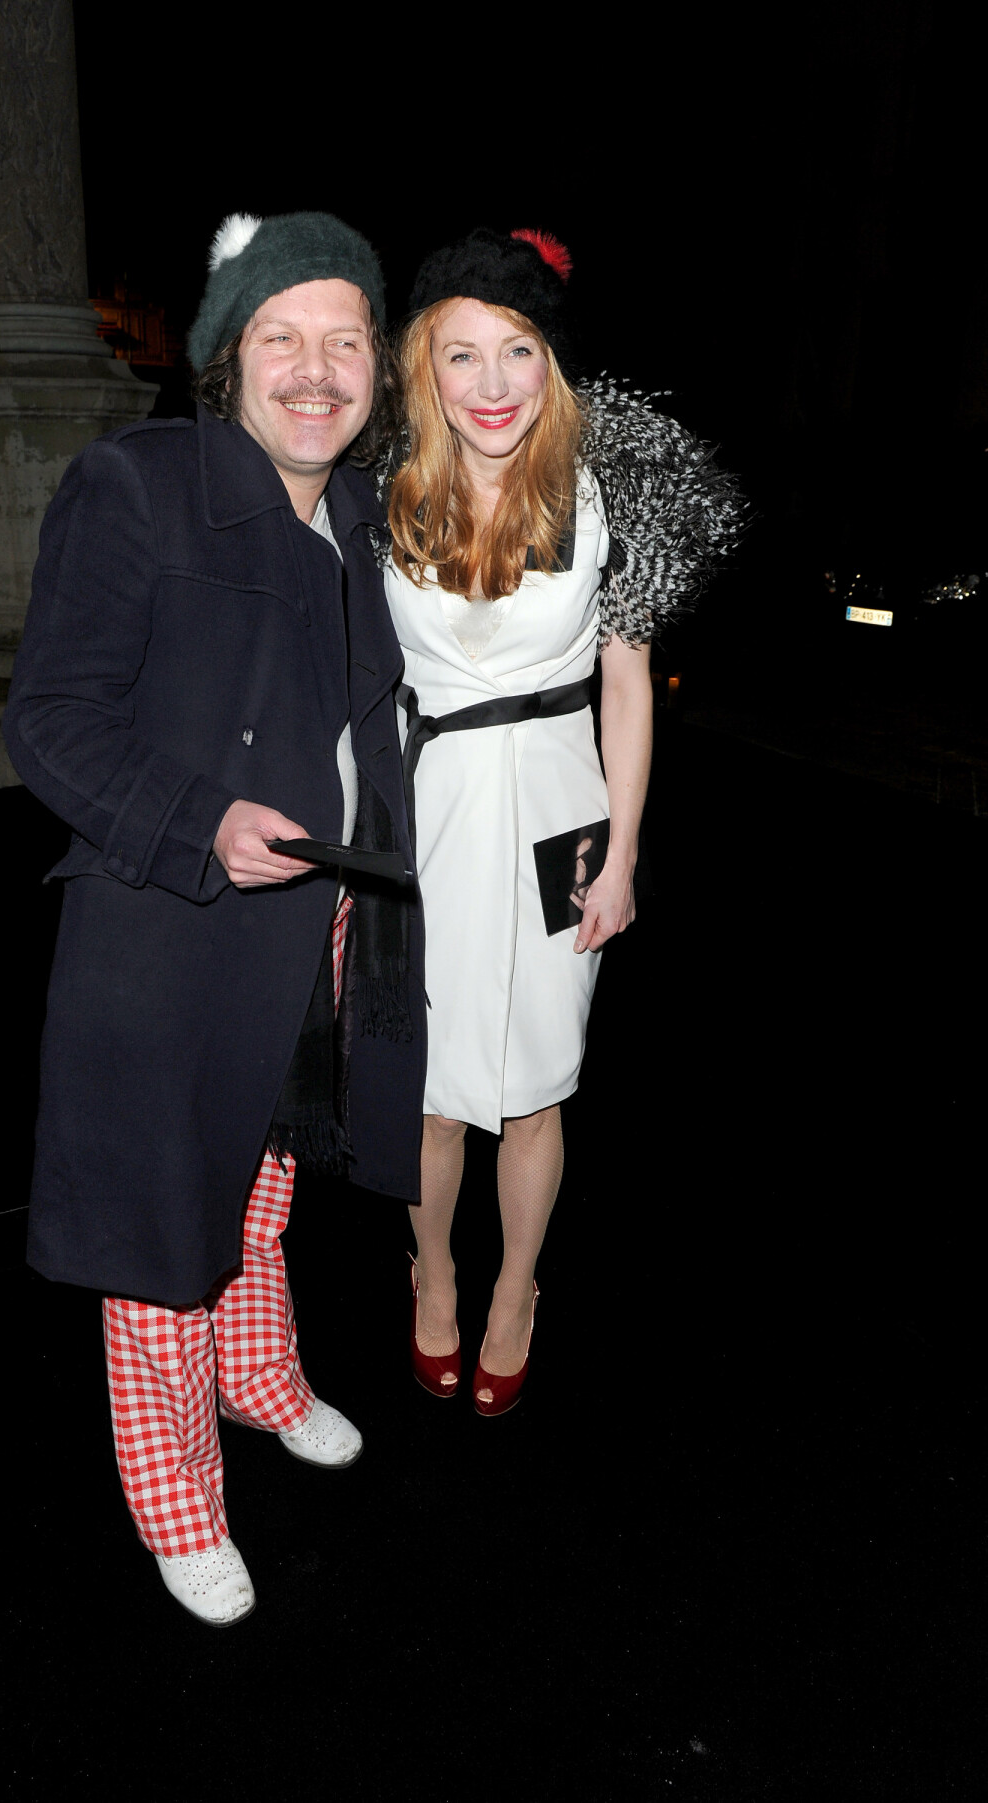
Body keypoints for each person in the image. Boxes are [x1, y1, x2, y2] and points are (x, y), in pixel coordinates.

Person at [3, 212, 425, 1626]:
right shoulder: (138, 485)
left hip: (312, 934)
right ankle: (175, 1487)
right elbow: (48, 720)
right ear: (227, 358)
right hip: (167, 932)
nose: (316, 371)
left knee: (264, 1179)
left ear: (377, 365)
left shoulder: (365, 519)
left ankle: (257, 1374)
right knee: (159, 1214)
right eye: (280, 338)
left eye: (345, 341)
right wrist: (199, 822)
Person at [382, 228, 742, 1415]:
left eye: (518, 352)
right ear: (423, 368)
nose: (491, 385)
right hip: (423, 820)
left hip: (559, 819)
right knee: (432, 1091)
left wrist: (624, 855)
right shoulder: (376, 489)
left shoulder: (604, 493)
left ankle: (516, 1290)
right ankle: (432, 1267)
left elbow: (625, 685)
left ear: (553, 362)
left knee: (536, 1085)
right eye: (462, 355)